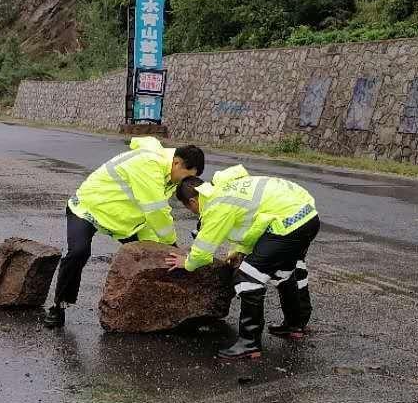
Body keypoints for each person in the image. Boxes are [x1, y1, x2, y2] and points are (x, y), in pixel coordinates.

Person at [43, 137, 206, 328]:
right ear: (177, 163)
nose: (185, 182)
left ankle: (155, 309)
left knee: (156, 255)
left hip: (121, 219)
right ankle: (58, 306)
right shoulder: (149, 164)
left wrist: (165, 249)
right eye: (186, 176)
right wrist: (172, 244)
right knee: (78, 253)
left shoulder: (170, 173)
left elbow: (152, 214)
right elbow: (156, 211)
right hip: (89, 208)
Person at [166, 165, 320, 360]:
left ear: (192, 201)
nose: (196, 214)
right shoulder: (227, 189)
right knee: (282, 271)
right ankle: (295, 325)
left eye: (191, 209)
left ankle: (249, 343)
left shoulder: (216, 204)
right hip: (306, 216)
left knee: (247, 277)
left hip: (289, 223)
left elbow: (203, 252)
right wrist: (239, 250)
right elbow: (254, 224)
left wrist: (186, 262)